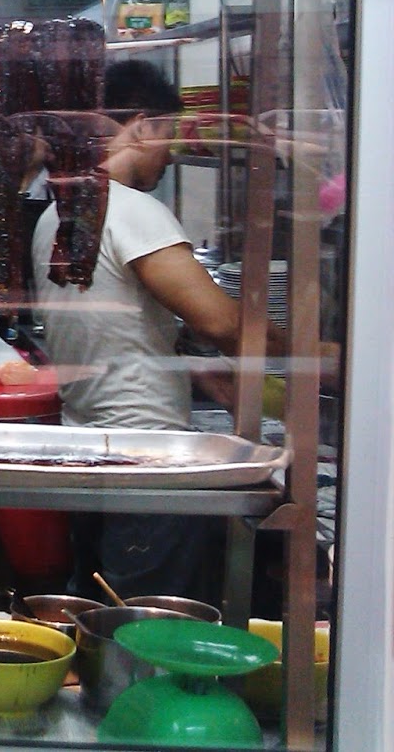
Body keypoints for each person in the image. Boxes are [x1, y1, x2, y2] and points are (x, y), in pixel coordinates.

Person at [30, 58, 330, 602]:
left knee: (102, 610)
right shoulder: (132, 210)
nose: (168, 153)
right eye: (168, 134)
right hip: (146, 460)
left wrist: (188, 368)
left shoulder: (59, 213)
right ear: (142, 125)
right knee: (147, 617)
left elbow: (109, 328)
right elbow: (223, 324)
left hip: (86, 445)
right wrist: (321, 354)